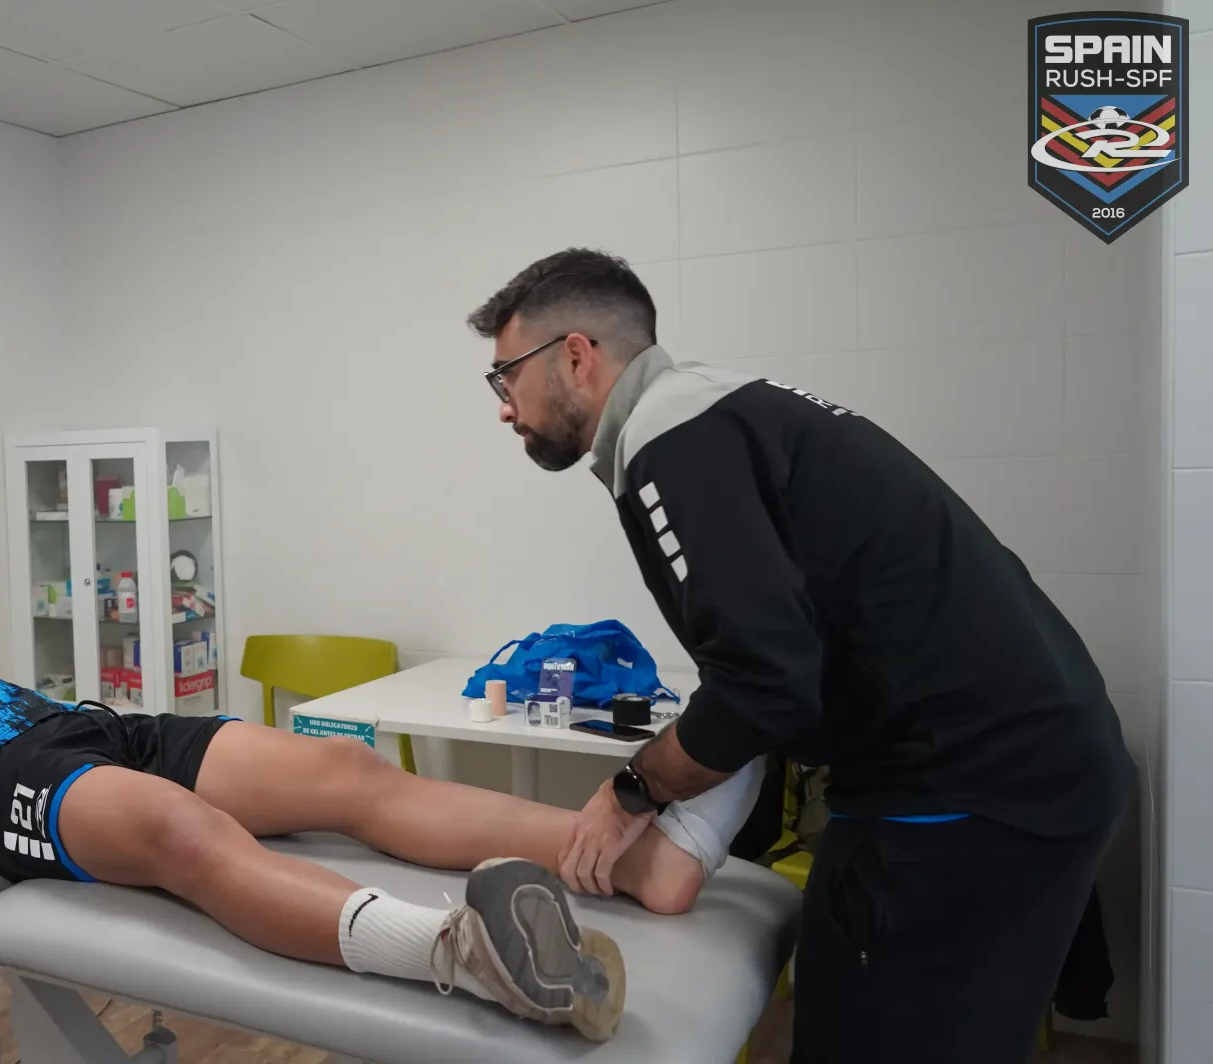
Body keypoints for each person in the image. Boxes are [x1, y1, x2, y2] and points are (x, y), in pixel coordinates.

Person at [469, 247, 1137, 1063]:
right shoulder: (724, 410)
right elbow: (768, 666)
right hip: (1029, 759)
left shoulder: (671, 442)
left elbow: (763, 687)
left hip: (967, 791)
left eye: (506, 377)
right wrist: (687, 838)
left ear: (575, 354)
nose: (505, 407)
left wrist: (633, 791)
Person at [0, 581, 763, 1041]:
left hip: (104, 728)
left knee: (351, 776)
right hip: (9, 794)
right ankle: (464, 957)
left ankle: (637, 864)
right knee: (190, 839)